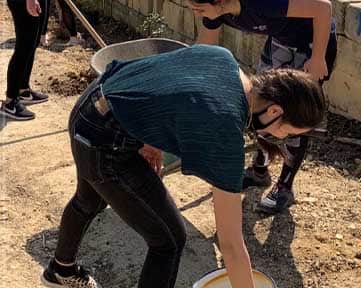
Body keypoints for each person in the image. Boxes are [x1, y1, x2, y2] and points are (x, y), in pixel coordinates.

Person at [41, 44, 326, 288]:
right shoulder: (225, 132)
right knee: (169, 239)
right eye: (288, 131)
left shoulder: (223, 59)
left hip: (91, 106)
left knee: (89, 198)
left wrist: (146, 136)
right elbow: (231, 245)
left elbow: (163, 85)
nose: (283, 138)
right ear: (275, 110)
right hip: (104, 142)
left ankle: (60, 269)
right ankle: (62, 270)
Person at [182, 0, 337, 214]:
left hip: (313, 45)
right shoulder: (215, 10)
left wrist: (318, 57)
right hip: (281, 40)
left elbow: (323, 9)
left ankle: (285, 186)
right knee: (260, 103)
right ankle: (259, 170)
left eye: (199, 9)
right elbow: (205, 46)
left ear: (219, 1)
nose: (197, 14)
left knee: (292, 116)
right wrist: (187, 77)